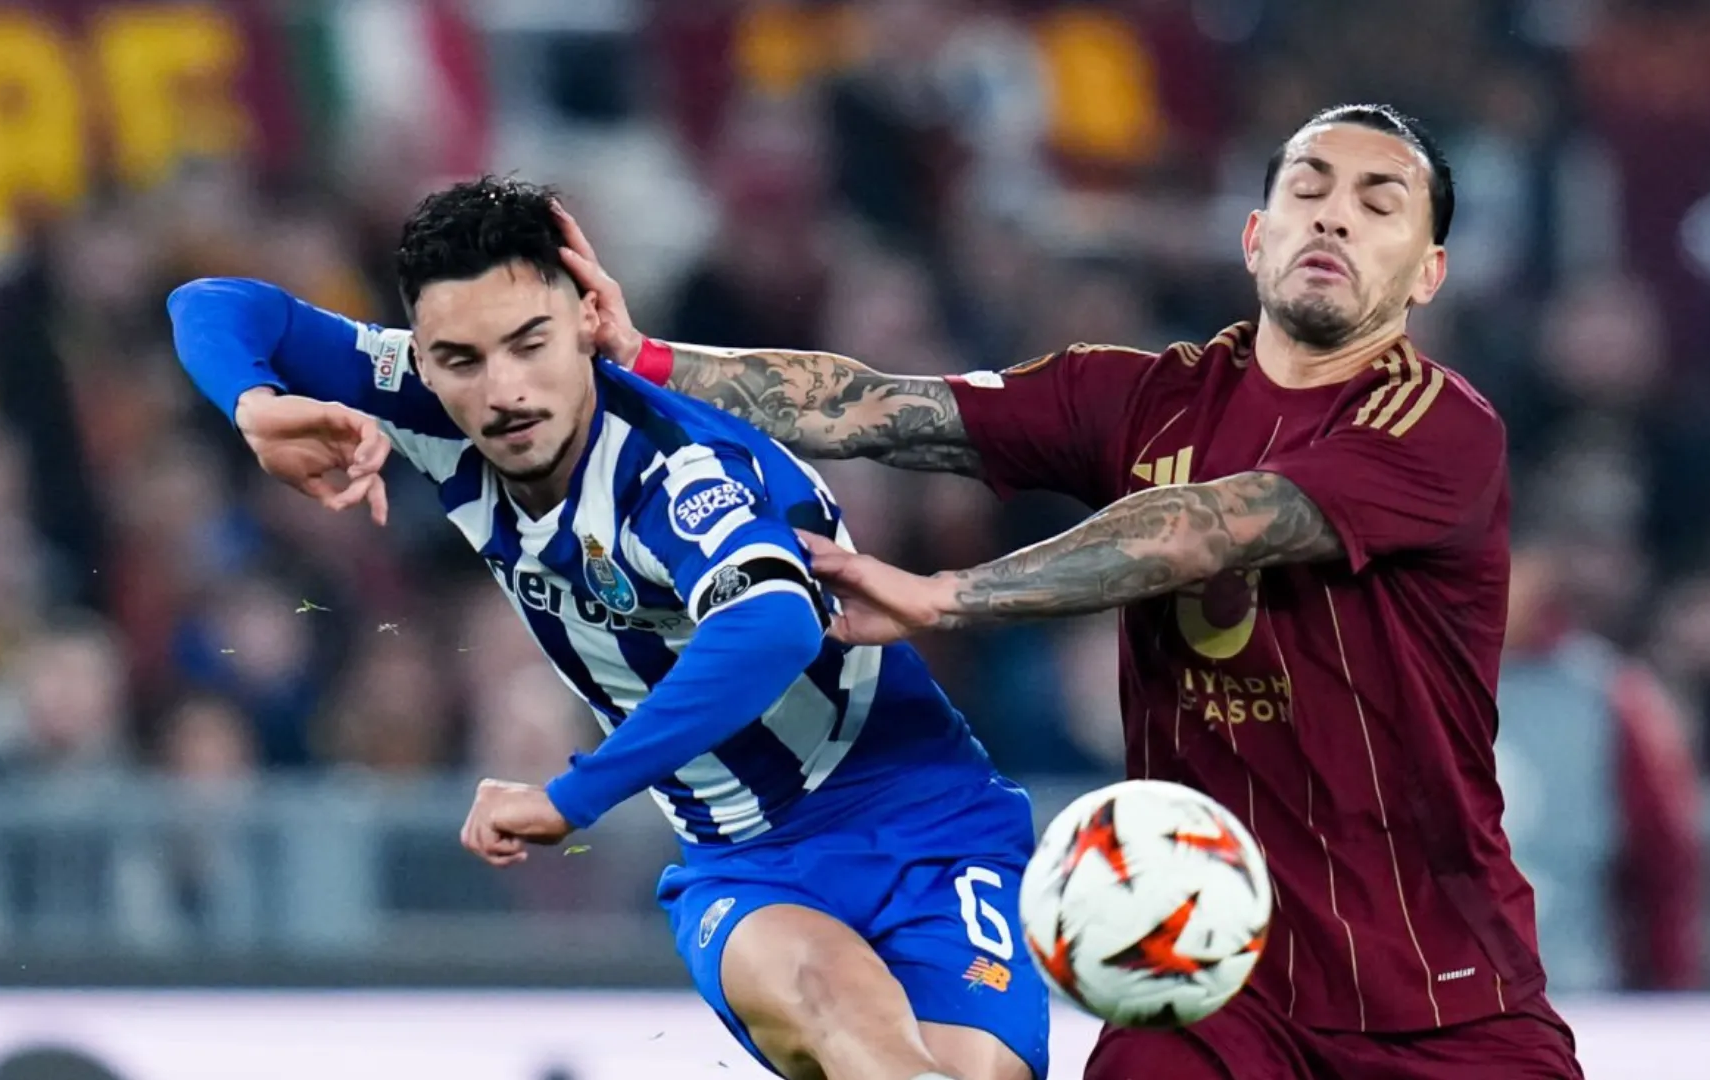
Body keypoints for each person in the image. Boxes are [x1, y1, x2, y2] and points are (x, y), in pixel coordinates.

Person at [577, 103, 1585, 1079]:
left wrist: (951, 595)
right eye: (1308, 189)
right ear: (1254, 235)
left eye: (1379, 203)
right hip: (1207, 988)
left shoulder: (1442, 429)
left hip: (1440, 996)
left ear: (1429, 272)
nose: (1333, 215)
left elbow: (1204, 527)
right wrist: (647, 359)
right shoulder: (1140, 400)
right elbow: (879, 406)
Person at [165, 178, 1046, 1080]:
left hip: (928, 818)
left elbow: (772, 624)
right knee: (852, 1033)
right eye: (462, 359)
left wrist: (570, 797)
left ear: (589, 319)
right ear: (422, 362)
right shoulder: (429, 407)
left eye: (529, 343)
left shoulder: (676, 470)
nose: (503, 390)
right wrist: (253, 405)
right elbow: (216, 304)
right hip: (746, 863)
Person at [1496, 536, 1703, 994]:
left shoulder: (1611, 697)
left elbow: (1664, 857)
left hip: (1574, 988)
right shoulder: (1389, 683)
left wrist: (1670, 988)